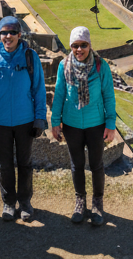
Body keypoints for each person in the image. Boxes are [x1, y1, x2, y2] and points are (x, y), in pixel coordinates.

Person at [0, 15, 47, 222]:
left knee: (24, 163)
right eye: (4, 33)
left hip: (25, 120)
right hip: (0, 123)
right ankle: (8, 202)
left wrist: (39, 118)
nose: (8, 37)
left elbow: (39, 89)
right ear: (0, 35)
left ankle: (25, 202)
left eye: (12, 32)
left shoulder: (29, 57)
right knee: (4, 165)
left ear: (19, 34)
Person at [50, 26, 116, 226]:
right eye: (75, 46)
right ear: (71, 46)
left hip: (96, 123)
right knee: (76, 165)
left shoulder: (100, 65)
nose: (79, 50)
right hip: (71, 124)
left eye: (83, 45)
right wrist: (55, 122)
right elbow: (59, 93)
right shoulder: (64, 66)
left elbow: (108, 95)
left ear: (89, 45)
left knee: (96, 165)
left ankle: (97, 203)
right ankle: (80, 201)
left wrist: (110, 124)